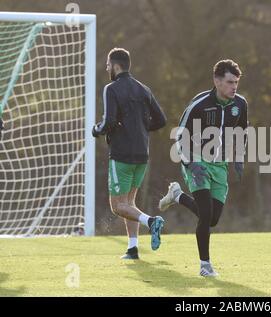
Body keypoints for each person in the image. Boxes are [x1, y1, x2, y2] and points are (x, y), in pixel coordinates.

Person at [159, 59, 248, 277]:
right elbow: (180, 136)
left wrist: (239, 155)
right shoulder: (198, 105)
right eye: (229, 82)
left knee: (213, 219)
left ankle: (177, 195)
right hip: (196, 161)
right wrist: (190, 162)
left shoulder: (240, 104)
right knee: (206, 214)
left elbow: (243, 131)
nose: (234, 86)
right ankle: (205, 266)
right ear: (217, 81)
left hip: (220, 165)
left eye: (236, 82)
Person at [92, 48, 167, 260]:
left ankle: (151, 221)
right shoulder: (144, 89)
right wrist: (140, 129)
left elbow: (108, 122)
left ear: (116, 66)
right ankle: (133, 249)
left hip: (122, 155)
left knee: (118, 206)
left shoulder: (111, 88)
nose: (106, 68)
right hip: (142, 154)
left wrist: (95, 130)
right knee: (129, 204)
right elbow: (161, 120)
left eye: (108, 64)